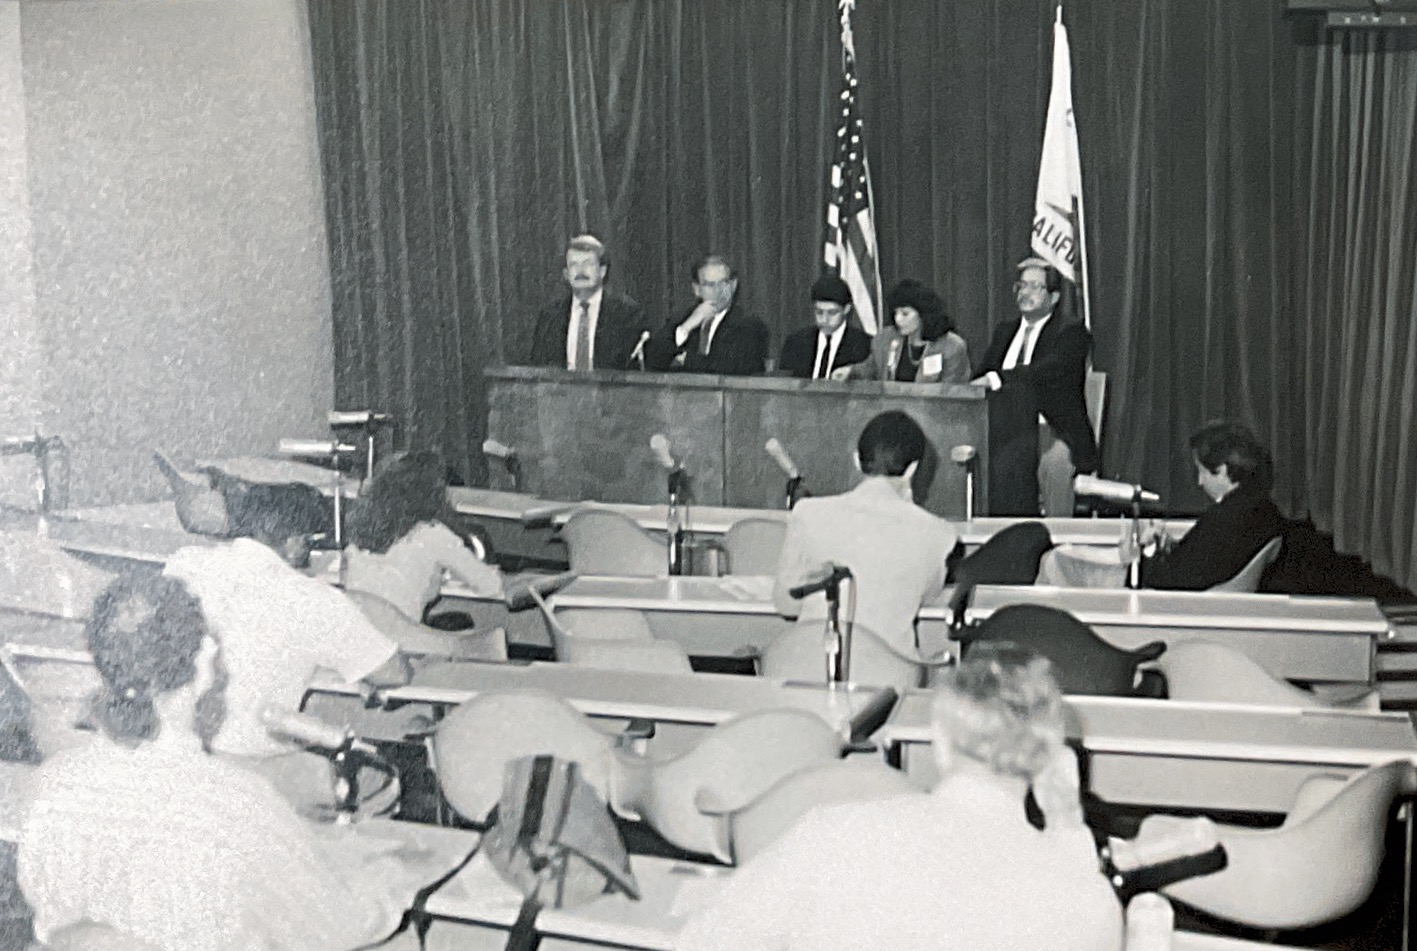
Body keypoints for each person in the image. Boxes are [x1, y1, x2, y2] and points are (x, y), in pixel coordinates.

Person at [17, 574, 437, 951]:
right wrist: (392, 878)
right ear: (205, 660)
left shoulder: (56, 783)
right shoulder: (238, 802)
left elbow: (55, 921)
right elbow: (338, 928)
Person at [675, 643, 1123, 951]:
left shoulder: (831, 835)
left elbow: (704, 942)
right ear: (1051, 757)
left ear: (940, 743)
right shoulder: (1084, 901)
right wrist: (1068, 826)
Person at [162, 516, 406, 808]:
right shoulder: (315, 598)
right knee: (381, 781)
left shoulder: (185, 562)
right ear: (293, 542)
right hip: (256, 768)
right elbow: (393, 672)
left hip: (173, 758)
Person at [773, 410, 956, 658]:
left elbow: (786, 604)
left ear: (857, 461)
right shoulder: (939, 534)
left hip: (809, 669)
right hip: (891, 675)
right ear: (913, 469)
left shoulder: (807, 513)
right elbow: (928, 596)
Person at [972, 257, 1098, 516]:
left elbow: (1045, 371)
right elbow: (981, 375)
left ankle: (1056, 534)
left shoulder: (1071, 332)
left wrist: (998, 379)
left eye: (1034, 286)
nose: (1024, 292)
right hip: (1001, 429)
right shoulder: (1004, 331)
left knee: (1054, 464)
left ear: (1053, 297)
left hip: (1051, 428)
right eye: (1021, 285)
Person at [343, 449, 503, 623]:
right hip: (401, 635)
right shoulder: (433, 534)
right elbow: (489, 585)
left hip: (358, 633)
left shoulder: (357, 540)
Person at [1128, 421, 1284, 590]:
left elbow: (1172, 579)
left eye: (1202, 471)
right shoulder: (1264, 509)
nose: (1200, 482)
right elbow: (1205, 560)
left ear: (1222, 470)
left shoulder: (1222, 518)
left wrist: (1149, 551)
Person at [529, 234, 651, 371]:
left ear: (602, 271)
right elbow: (538, 370)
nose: (580, 271)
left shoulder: (627, 315)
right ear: (566, 274)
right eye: (574, 265)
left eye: (587, 264)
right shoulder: (549, 317)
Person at [643, 255, 769, 375]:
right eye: (710, 285)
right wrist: (686, 327)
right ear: (697, 289)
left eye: (723, 283)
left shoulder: (750, 325)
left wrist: (684, 359)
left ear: (733, 285)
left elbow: (729, 367)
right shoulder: (681, 319)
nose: (718, 291)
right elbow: (652, 361)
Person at [853, 278, 971, 385]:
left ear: (923, 314)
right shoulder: (885, 338)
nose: (898, 319)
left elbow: (953, 391)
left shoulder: (952, 346)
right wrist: (850, 371)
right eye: (895, 313)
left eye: (905, 314)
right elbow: (870, 369)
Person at [777, 274, 872, 380]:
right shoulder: (796, 342)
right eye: (819, 312)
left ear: (846, 309)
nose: (824, 319)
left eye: (832, 312)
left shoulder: (864, 345)